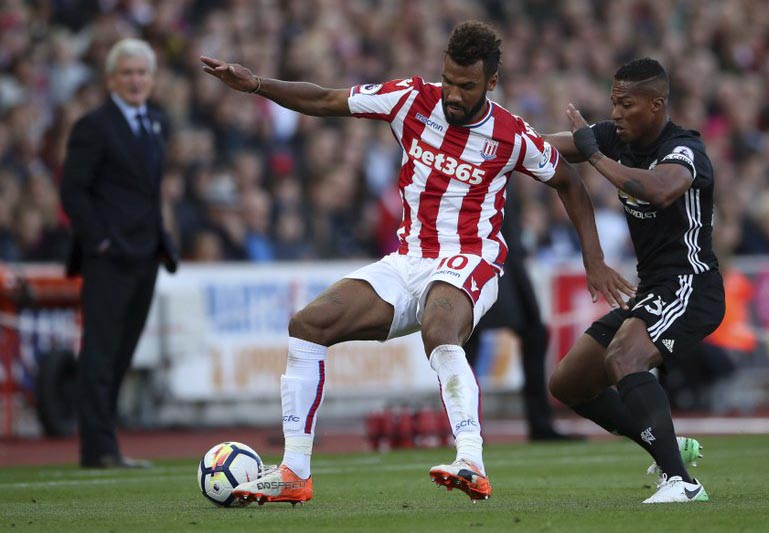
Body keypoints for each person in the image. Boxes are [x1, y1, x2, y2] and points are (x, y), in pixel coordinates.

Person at [201, 20, 632, 504]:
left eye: (466, 85)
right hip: (408, 260)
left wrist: (593, 259)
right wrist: (257, 84)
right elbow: (324, 99)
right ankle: (294, 471)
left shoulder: (511, 134)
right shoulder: (410, 99)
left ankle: (471, 459)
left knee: (438, 328)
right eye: (448, 80)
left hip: (471, 258)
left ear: (491, 82)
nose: (453, 94)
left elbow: (569, 183)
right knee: (307, 325)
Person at [544, 58, 725, 504]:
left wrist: (595, 155)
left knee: (625, 357)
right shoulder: (614, 138)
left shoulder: (685, 150)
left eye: (627, 105)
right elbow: (543, 146)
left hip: (690, 285)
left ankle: (682, 482)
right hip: (652, 288)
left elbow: (660, 189)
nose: (616, 113)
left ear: (656, 104)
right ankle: (663, 443)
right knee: (568, 383)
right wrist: (488, 137)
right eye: (614, 103)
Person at [60, 38, 178, 469]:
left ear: (152, 78)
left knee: (123, 352)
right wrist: (101, 242)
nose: (135, 80)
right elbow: (73, 191)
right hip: (109, 257)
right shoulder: (93, 126)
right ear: (111, 79)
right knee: (100, 352)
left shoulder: (156, 123)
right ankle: (97, 449)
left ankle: (107, 444)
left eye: (142, 72)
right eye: (127, 73)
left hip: (146, 254)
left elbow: (149, 192)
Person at [462, 187, 577, 441]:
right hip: (484, 262)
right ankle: (466, 426)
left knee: (532, 335)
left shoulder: (501, 178)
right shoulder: (481, 173)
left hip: (508, 263)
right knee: (470, 343)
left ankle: (535, 423)